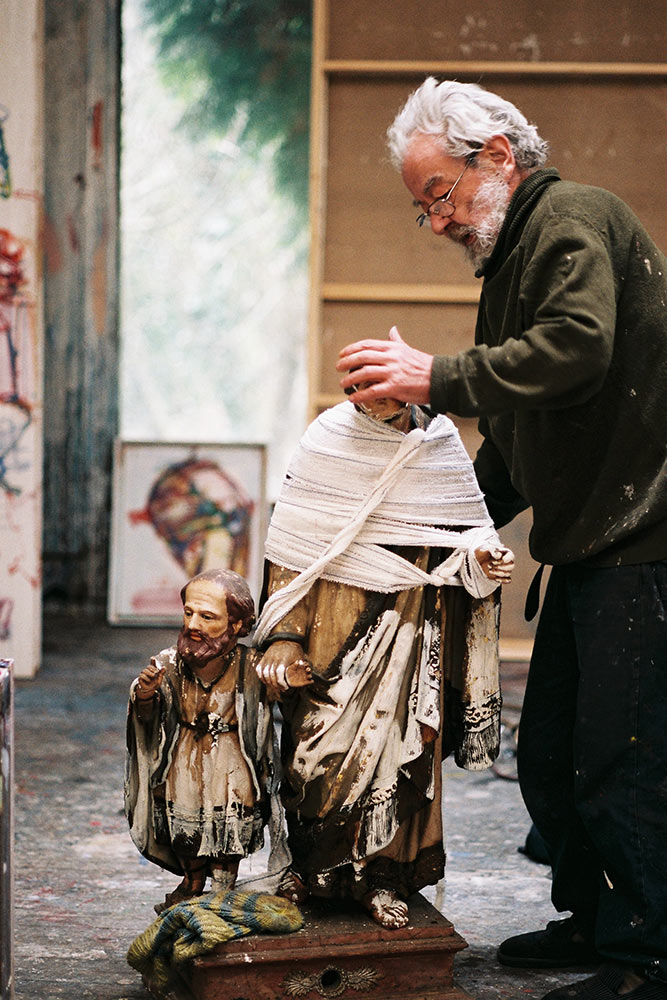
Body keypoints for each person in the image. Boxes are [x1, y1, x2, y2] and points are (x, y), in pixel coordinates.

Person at [336, 77, 667, 1000]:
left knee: (623, 757)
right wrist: (435, 529)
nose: (436, 221)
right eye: (422, 208)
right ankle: (592, 919)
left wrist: (434, 377)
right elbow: (520, 435)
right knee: (553, 752)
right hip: (595, 544)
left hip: (644, 543)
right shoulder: (515, 258)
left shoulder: (570, 220)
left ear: (496, 157)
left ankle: (646, 957)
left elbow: (576, 349)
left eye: (438, 194)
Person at [253, 385, 513, 930]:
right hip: (331, 625)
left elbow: (465, 537)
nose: (372, 401)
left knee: (401, 747)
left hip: (410, 626)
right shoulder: (326, 441)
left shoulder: (437, 443)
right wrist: (285, 635)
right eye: (361, 389)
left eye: (385, 389)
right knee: (313, 754)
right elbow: (291, 547)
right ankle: (312, 868)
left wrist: (482, 563)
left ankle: (382, 874)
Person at [124, 568, 272, 913]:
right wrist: (145, 695)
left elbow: (281, 696)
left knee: (229, 829)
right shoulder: (169, 663)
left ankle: (223, 889)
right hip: (185, 760)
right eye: (189, 613)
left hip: (232, 762)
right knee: (185, 828)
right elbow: (146, 718)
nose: (193, 625)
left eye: (207, 617)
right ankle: (192, 883)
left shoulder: (251, 665)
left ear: (236, 624)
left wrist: (287, 682)